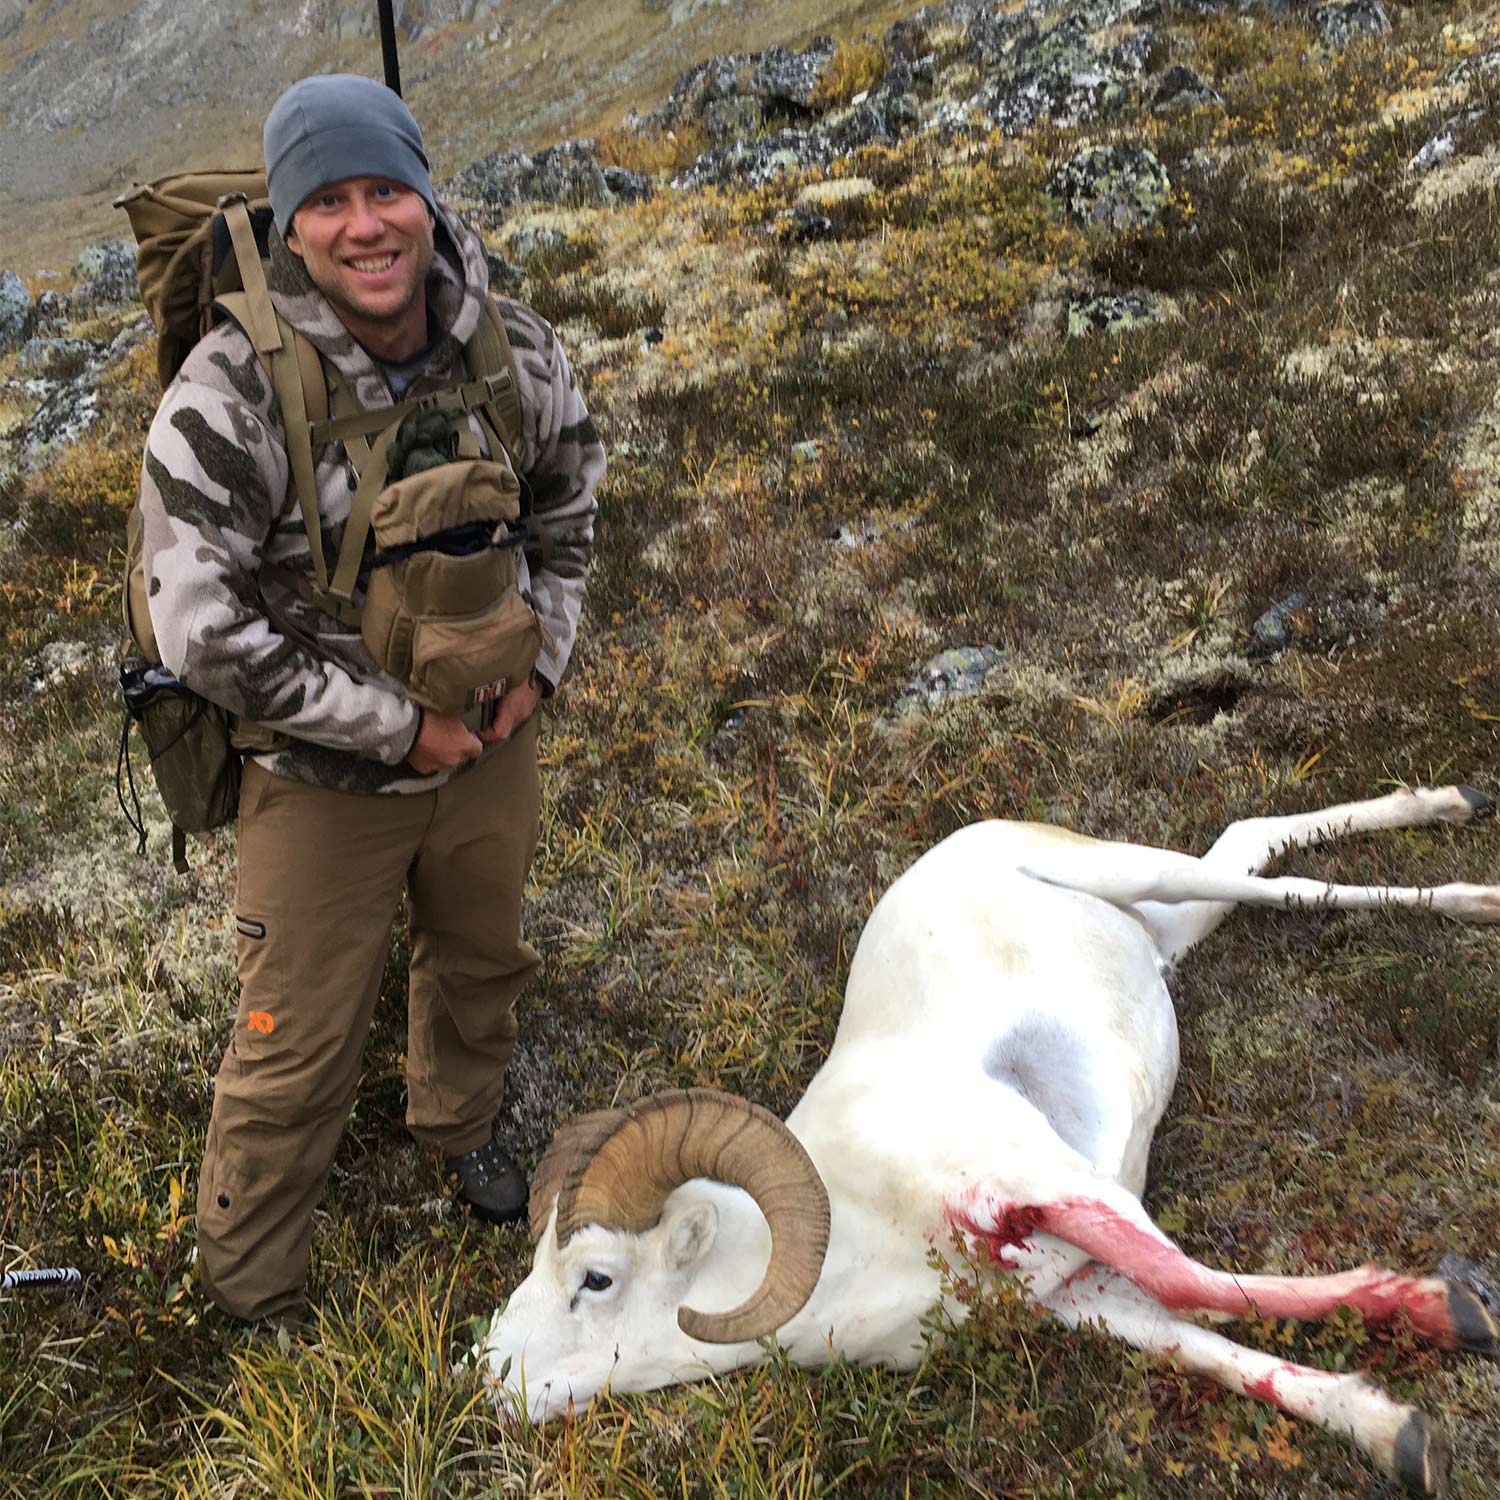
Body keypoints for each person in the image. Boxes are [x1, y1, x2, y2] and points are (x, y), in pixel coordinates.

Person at [136, 74, 603, 1327]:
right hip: (320, 780)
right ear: (291, 226)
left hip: (492, 742)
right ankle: (251, 1291)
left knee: (481, 960)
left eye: (384, 189)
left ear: (424, 195)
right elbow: (193, 625)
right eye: (328, 201)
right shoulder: (228, 394)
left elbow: (569, 507)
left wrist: (541, 666)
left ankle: (462, 1131)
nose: (364, 224)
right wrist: (400, 728)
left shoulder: (513, 344)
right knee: (291, 1046)